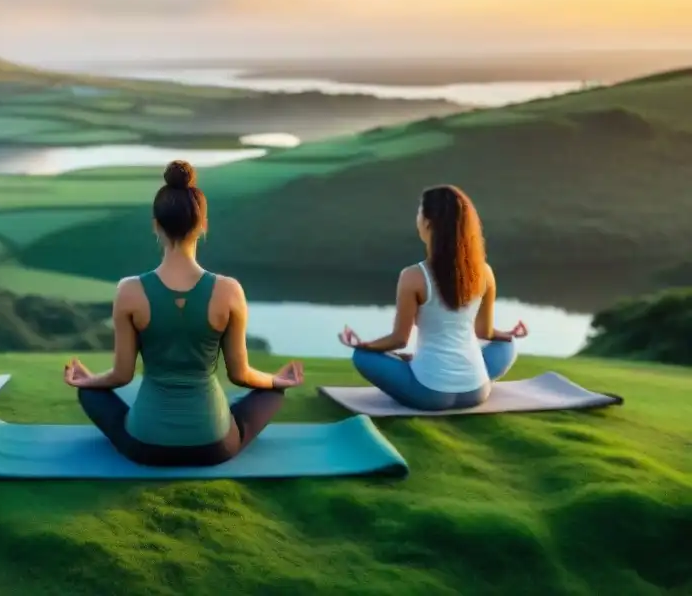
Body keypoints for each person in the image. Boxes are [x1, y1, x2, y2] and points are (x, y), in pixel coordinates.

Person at [63, 159, 304, 467]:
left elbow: (121, 376)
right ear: (203, 225)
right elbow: (240, 375)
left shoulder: (129, 290)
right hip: (213, 445)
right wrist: (275, 380)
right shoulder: (229, 291)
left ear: (156, 225)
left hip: (145, 445)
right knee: (271, 394)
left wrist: (89, 380)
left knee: (90, 395)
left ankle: (98, 397)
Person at [338, 185, 527, 411]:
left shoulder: (413, 276)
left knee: (362, 356)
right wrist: (506, 334)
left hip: (428, 394)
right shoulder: (484, 272)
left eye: (419, 211)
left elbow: (399, 339)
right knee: (506, 345)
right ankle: (452, 368)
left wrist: (364, 345)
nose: (417, 217)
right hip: (477, 391)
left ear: (427, 223)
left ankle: (415, 365)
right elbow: (484, 333)